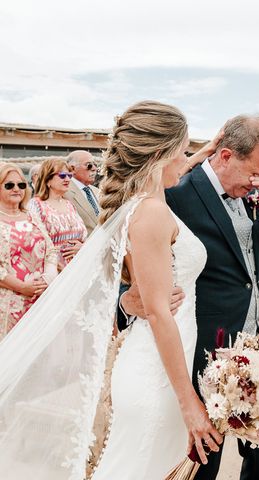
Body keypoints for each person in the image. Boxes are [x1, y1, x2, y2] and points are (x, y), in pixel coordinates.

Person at [0, 101, 222, 478]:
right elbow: (157, 312)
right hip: (156, 374)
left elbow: (176, 170)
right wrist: (190, 404)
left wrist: (206, 150)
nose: (185, 158)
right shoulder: (150, 212)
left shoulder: (148, 200)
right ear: (160, 153)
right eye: (183, 149)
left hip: (165, 363)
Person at [121, 113, 259, 479]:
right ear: (227, 155)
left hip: (258, 353)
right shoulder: (174, 193)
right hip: (202, 353)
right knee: (202, 463)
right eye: (254, 173)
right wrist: (125, 301)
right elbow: (124, 265)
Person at [0, 162, 57, 340]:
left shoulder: (31, 216)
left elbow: (50, 251)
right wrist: (22, 287)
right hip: (8, 301)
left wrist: (48, 279)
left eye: (21, 185)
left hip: (39, 299)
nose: (17, 189)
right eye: (9, 185)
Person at [29, 158, 87, 270]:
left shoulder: (70, 205)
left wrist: (82, 247)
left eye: (69, 176)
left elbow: (84, 236)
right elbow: (35, 243)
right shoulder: (35, 205)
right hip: (53, 271)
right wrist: (55, 265)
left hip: (79, 268)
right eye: (62, 175)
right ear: (47, 180)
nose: (67, 179)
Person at [65, 150, 101, 235]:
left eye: (95, 165)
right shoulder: (64, 192)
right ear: (72, 168)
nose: (94, 168)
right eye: (89, 165)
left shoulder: (97, 191)